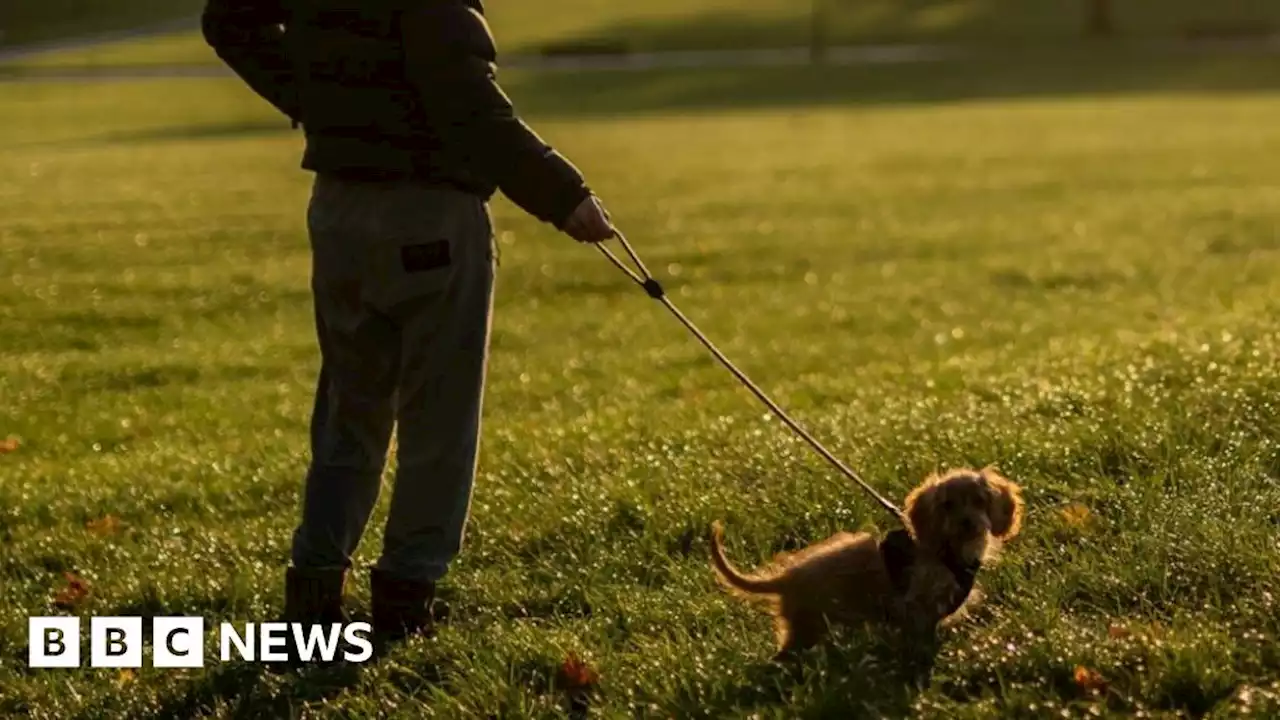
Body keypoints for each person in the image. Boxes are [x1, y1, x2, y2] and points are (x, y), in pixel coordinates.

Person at [201, 0, 616, 646]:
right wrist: (565, 196)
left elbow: (228, 17)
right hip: (430, 214)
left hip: (338, 210)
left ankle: (314, 593)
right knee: (439, 420)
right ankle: (404, 601)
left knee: (350, 410)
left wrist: (318, 102)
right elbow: (468, 103)